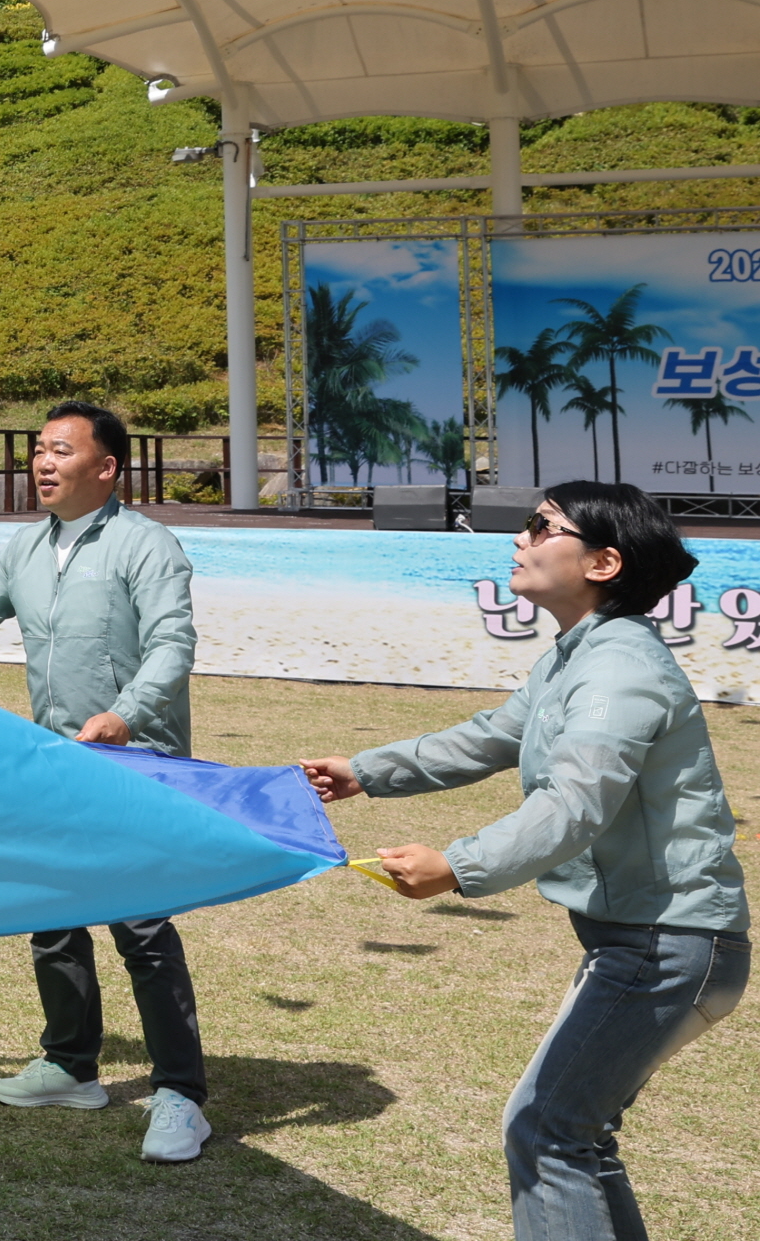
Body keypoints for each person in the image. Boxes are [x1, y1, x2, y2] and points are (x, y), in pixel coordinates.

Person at [299, 483, 746, 1239]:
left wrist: (459, 865)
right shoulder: (577, 656)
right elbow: (488, 737)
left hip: (665, 946)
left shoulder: (619, 669)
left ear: (603, 562)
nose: (521, 537)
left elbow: (575, 804)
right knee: (574, 1136)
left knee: (547, 1131)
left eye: (542, 527)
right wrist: (365, 770)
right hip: (646, 944)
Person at [0, 400, 208, 1162]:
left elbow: (172, 643)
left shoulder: (147, 546)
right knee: (53, 916)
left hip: (134, 761)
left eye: (59, 450)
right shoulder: (25, 549)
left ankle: (181, 1095)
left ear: (106, 467)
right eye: (37, 451)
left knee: (142, 927)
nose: (42, 464)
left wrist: (126, 714)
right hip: (53, 761)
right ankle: (70, 1067)